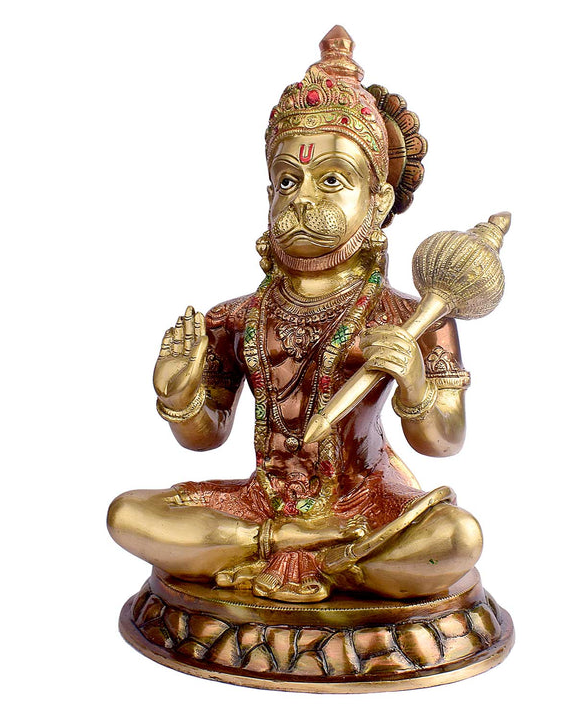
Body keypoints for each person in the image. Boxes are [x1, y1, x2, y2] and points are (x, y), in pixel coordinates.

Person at [108, 26, 482, 603]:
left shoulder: (413, 319)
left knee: (455, 538)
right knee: (127, 514)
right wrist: (179, 397)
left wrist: (414, 382)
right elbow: (206, 437)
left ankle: (320, 556)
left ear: (378, 201)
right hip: (261, 504)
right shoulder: (234, 318)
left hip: (362, 505)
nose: (303, 198)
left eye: (332, 180)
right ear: (269, 195)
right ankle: (296, 548)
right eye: (288, 180)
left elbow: (443, 443)